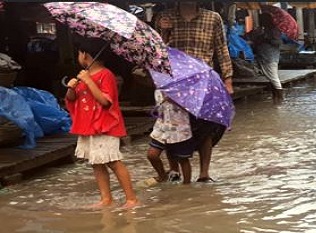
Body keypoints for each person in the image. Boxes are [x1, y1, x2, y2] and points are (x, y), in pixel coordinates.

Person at [157, 2, 234, 183]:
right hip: (174, 81)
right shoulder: (164, 17)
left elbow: (221, 48)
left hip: (203, 81)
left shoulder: (213, 18)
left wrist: (228, 79)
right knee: (172, 126)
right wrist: (165, 31)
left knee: (205, 127)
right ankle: (175, 171)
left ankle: (204, 173)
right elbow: (158, 51)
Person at [65, 39, 139, 209]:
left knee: (113, 161)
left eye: (79, 53)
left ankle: (131, 198)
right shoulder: (83, 75)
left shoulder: (106, 75)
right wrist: (71, 87)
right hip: (89, 126)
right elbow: (71, 100)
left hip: (105, 126)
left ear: (85, 55)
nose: (78, 56)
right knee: (96, 162)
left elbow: (106, 102)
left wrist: (89, 81)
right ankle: (106, 198)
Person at [145, 90, 194, 185]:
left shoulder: (183, 89)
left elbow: (191, 107)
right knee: (152, 155)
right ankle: (162, 176)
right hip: (161, 128)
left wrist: (174, 100)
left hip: (180, 129)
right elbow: (160, 108)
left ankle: (187, 185)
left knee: (182, 159)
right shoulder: (158, 90)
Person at [246, 12, 284, 104]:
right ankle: (275, 98)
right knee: (270, 78)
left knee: (274, 78)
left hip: (271, 57)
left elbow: (278, 43)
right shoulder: (261, 30)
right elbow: (255, 40)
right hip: (262, 56)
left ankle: (280, 99)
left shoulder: (274, 30)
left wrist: (267, 38)